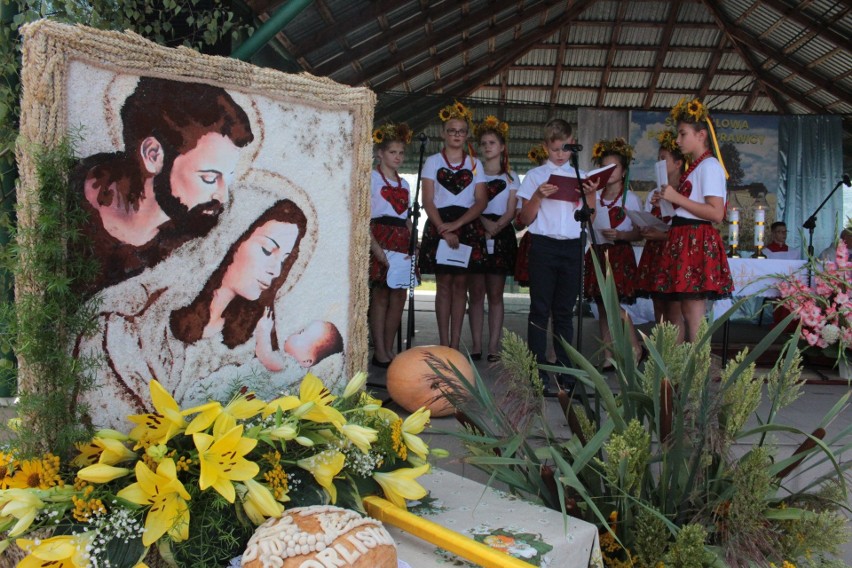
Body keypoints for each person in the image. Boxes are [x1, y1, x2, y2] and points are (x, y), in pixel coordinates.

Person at [76, 198, 311, 427]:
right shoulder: (133, 315)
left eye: (285, 259)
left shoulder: (252, 346)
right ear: (232, 240)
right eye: (268, 251)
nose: (275, 269)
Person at [74, 76, 255, 294]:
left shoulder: (187, 247)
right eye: (209, 178)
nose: (222, 196)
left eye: (229, 177)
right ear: (153, 155)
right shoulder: (66, 194)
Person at [516, 118, 598, 391]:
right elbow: (524, 219)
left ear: (573, 143)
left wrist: (592, 197)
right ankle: (536, 371)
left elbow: (590, 219)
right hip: (543, 245)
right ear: (545, 148)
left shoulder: (582, 175)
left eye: (565, 149)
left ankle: (566, 372)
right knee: (540, 310)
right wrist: (538, 196)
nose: (561, 155)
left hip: (573, 247)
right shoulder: (536, 176)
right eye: (554, 150)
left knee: (565, 312)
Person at [650, 98, 733, 342]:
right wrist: (668, 201)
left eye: (683, 134)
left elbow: (716, 213)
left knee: (693, 313)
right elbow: (689, 206)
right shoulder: (694, 168)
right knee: (684, 310)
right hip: (684, 238)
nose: (677, 140)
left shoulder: (709, 166)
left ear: (701, 135)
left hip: (695, 238)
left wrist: (676, 197)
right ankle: (687, 370)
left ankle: (698, 373)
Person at [418, 101, 488, 349]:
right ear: (443, 133)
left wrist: (457, 224)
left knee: (462, 286)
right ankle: (443, 342)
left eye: (461, 131)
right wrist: (442, 228)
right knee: (443, 285)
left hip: (466, 225)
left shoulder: (475, 164)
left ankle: (455, 345)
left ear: (466, 135)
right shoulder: (432, 162)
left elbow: (481, 201)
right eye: (451, 130)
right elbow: (427, 200)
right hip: (439, 223)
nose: (456, 135)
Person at [583, 138, 642, 369]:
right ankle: (609, 356)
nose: (610, 172)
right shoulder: (594, 197)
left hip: (619, 255)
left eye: (614, 167)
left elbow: (639, 232)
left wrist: (620, 235)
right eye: (605, 167)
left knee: (614, 304)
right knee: (602, 306)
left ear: (624, 171)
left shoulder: (632, 199)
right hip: (597, 252)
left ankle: (635, 346)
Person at [467, 116, 519, 362]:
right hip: (476, 229)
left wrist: (497, 226)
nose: (487, 147)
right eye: (484, 143)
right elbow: (469, 203)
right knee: (475, 292)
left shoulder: (511, 177)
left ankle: (494, 345)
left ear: (502, 147)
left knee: (495, 293)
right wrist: (483, 223)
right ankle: (476, 344)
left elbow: (512, 209)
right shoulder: (473, 174)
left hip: (501, 232)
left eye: (492, 142)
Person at [367, 123, 414, 367]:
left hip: (401, 240)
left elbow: (405, 216)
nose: (398, 157)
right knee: (381, 294)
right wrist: (376, 249)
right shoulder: (372, 179)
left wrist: (411, 241)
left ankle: (388, 348)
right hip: (380, 239)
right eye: (393, 152)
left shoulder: (404, 185)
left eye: (401, 153)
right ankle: (379, 350)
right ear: (380, 154)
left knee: (399, 295)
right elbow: (365, 217)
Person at [636, 130, 682, 325]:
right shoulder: (654, 192)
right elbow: (646, 221)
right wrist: (645, 228)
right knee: (659, 308)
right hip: (655, 253)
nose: (659, 163)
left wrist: (662, 234)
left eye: (664, 159)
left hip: (674, 253)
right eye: (658, 159)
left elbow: (684, 227)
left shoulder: (684, 192)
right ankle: (660, 349)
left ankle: (675, 353)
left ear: (678, 163)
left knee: (674, 309)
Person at [256, 319, 343, 370]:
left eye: (301, 333)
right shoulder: (292, 360)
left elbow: (265, 357)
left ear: (306, 361)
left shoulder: (292, 366)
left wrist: (263, 330)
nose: (296, 332)